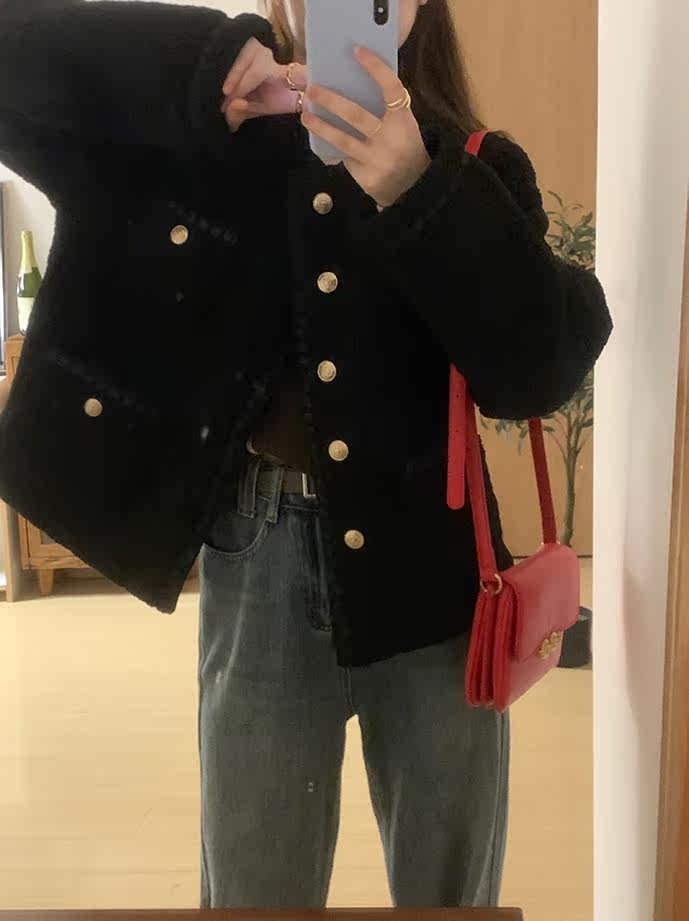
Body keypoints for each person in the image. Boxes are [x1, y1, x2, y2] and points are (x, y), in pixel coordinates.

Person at [0, 0, 612, 910]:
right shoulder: (205, 136)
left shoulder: (473, 164)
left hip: (437, 571)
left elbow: (537, 372)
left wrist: (420, 188)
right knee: (255, 888)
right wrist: (200, 61)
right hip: (258, 560)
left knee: (450, 894)